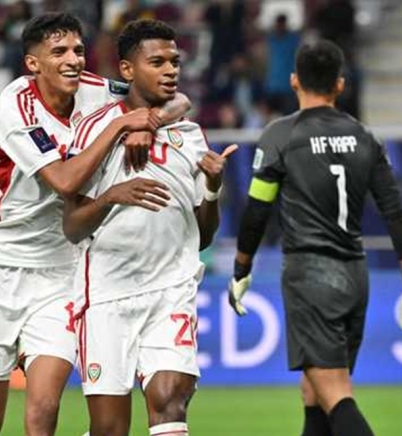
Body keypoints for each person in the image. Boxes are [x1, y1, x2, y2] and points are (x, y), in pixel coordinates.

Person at [0, 12, 190, 436]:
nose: (73, 59)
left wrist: (149, 124)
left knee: (44, 408)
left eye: (78, 50)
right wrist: (122, 125)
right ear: (33, 63)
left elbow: (175, 98)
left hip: (63, 272)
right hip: (1, 267)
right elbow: (64, 181)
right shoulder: (16, 105)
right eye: (58, 52)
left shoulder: (97, 90)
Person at [227, 40, 402, 436]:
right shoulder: (364, 137)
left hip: (310, 275)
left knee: (335, 394)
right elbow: (395, 212)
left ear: (294, 81)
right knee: (314, 393)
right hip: (355, 275)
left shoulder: (281, 135)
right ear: (339, 84)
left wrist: (241, 267)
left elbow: (257, 210)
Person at [62, 19, 235, 436]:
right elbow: (72, 227)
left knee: (170, 402)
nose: (171, 70)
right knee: (109, 428)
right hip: (107, 293)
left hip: (171, 288)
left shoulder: (190, 135)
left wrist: (213, 189)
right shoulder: (94, 129)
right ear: (127, 69)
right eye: (157, 62)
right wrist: (111, 197)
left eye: (174, 61)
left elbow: (203, 236)